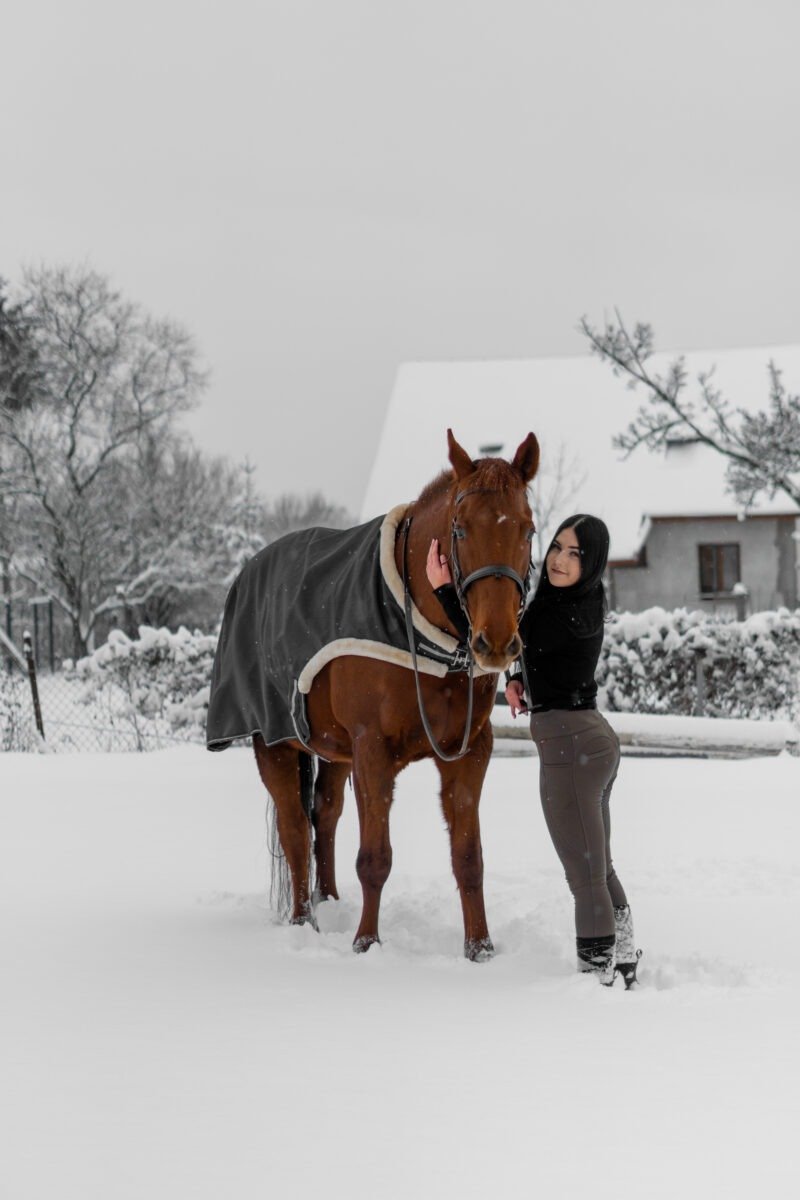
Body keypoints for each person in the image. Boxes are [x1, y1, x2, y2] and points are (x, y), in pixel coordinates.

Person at [426, 515, 641, 987]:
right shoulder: (579, 600)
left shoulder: (558, 613)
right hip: (588, 740)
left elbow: (494, 642)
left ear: (592, 562)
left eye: (575, 554)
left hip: (571, 749)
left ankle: (598, 977)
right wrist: (521, 679)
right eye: (557, 547)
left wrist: (444, 590)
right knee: (597, 867)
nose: (560, 560)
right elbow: (533, 654)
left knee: (585, 877)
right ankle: (623, 960)